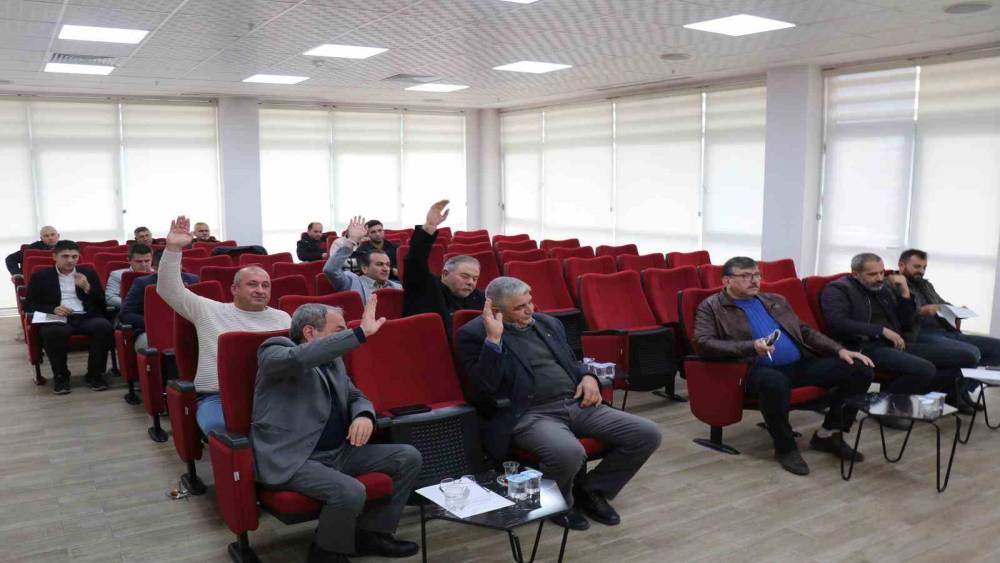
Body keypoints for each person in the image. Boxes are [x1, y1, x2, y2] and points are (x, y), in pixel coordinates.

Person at [456, 277, 662, 531]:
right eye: (520, 307)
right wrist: (493, 340)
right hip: (531, 413)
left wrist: (589, 377)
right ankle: (558, 503)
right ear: (496, 310)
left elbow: (573, 362)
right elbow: (483, 386)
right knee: (568, 452)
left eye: (530, 302)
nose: (530, 310)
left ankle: (591, 490)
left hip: (575, 402)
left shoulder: (548, 323)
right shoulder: (474, 334)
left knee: (646, 433)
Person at [254, 297, 421, 563]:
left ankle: (371, 534)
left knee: (407, 457)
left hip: (339, 452)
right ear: (310, 332)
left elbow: (356, 396)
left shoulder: (334, 362)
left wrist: (363, 415)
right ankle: (325, 552)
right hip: (296, 458)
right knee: (350, 491)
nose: (345, 336)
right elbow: (298, 358)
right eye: (339, 330)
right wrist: (359, 334)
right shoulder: (274, 350)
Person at [693, 257, 875, 475]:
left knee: (860, 369)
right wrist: (751, 346)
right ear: (726, 281)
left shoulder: (774, 299)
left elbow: (804, 331)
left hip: (799, 364)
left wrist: (839, 350)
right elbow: (704, 343)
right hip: (751, 369)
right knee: (774, 382)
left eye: (757, 275)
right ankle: (785, 448)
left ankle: (829, 434)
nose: (754, 280)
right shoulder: (711, 307)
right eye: (746, 276)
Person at [158, 216, 290, 436]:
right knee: (226, 433)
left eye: (265, 285)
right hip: (218, 397)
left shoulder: (283, 318)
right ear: (234, 289)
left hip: (272, 394)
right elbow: (168, 289)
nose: (260, 290)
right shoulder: (209, 310)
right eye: (252, 284)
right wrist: (173, 249)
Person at [821, 252, 975, 415]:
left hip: (898, 343)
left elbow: (907, 322)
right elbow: (838, 323)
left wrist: (905, 293)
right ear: (855, 274)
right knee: (925, 369)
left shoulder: (882, 288)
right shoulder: (838, 289)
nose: (880, 278)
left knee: (967, 357)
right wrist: (881, 331)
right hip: (865, 346)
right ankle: (884, 409)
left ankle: (902, 400)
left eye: (881, 272)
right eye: (872, 274)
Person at [23, 240, 112, 393]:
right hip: (56, 316)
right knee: (53, 332)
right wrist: (53, 309)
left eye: (74, 257)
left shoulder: (88, 273)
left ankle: (95, 374)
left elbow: (102, 301)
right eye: (65, 256)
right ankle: (61, 376)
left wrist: (87, 287)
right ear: (54, 256)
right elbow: (29, 305)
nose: (70, 260)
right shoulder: (40, 276)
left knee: (103, 327)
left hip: (84, 315)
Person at [402, 200, 485, 332]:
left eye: (475, 279)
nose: (471, 282)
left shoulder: (478, 297)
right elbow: (415, 261)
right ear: (445, 274)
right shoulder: (426, 286)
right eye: (465, 276)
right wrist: (429, 227)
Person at [120, 250, 198, 352]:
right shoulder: (142, 283)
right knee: (148, 343)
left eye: (177, 265)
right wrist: (154, 323)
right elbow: (126, 314)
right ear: (155, 268)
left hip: (186, 329)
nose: (173, 270)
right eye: (168, 267)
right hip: (151, 331)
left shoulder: (193, 280)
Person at [323, 216, 401, 304]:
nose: (386, 269)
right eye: (379, 264)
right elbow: (330, 270)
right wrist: (352, 241)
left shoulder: (396, 287)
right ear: (364, 268)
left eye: (387, 264)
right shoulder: (352, 282)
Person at [105, 243, 154, 309]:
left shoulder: (158, 275)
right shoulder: (117, 275)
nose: (143, 265)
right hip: (127, 310)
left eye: (147, 261)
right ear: (129, 261)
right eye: (139, 261)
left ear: (152, 260)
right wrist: (132, 305)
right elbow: (110, 298)